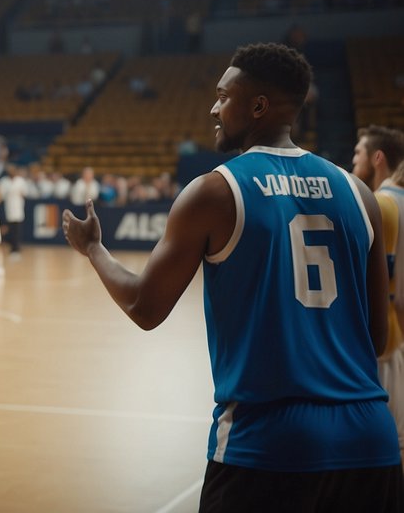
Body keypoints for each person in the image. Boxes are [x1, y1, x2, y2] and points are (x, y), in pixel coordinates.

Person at [63, 43, 401, 510]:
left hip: (268, 446)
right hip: (370, 444)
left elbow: (145, 306)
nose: (214, 108)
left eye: (224, 96)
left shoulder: (214, 192)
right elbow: (378, 340)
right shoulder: (359, 194)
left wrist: (94, 249)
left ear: (257, 106)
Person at [353, 125, 404, 464]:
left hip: (386, 337)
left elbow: (393, 287)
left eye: (357, 153)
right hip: (395, 339)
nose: (352, 160)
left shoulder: (382, 204)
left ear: (377, 158)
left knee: (384, 449)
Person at [1, 165, 30, 260]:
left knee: (17, 230)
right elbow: (1, 195)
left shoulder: (20, 181)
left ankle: (16, 249)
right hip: (8, 209)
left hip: (18, 209)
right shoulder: (4, 181)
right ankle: (12, 247)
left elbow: (25, 193)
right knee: (10, 230)